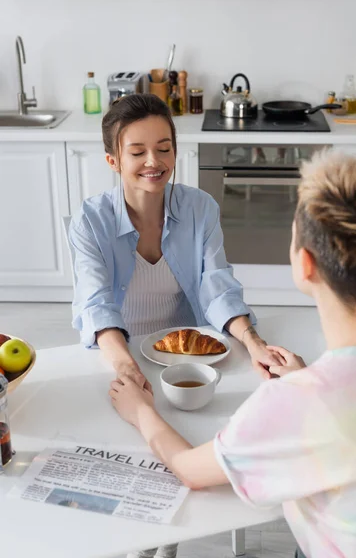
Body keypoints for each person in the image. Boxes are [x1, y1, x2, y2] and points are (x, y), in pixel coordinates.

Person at [110, 150, 356, 558]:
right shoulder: (305, 395)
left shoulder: (297, 406)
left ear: (305, 264)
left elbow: (190, 471)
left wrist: (140, 411)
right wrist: (305, 378)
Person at [69, 94, 282, 558]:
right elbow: (95, 302)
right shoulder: (90, 220)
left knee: (188, 446)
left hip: (187, 356)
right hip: (115, 355)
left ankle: (167, 543)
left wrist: (252, 339)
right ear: (113, 159)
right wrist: (126, 368)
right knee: (130, 448)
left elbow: (217, 285)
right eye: (138, 151)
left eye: (164, 148)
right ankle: (141, 542)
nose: (154, 161)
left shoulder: (199, 208)